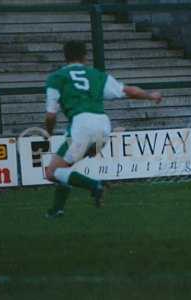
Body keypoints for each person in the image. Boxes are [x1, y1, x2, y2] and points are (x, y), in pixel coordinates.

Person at [44, 40, 162, 218]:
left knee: (52, 172)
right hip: (104, 128)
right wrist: (151, 96)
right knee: (63, 169)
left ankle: (94, 185)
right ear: (85, 56)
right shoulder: (97, 75)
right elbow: (129, 91)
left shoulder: (57, 78)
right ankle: (56, 211)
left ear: (65, 56)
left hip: (81, 126)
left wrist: (48, 133)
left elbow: (51, 115)